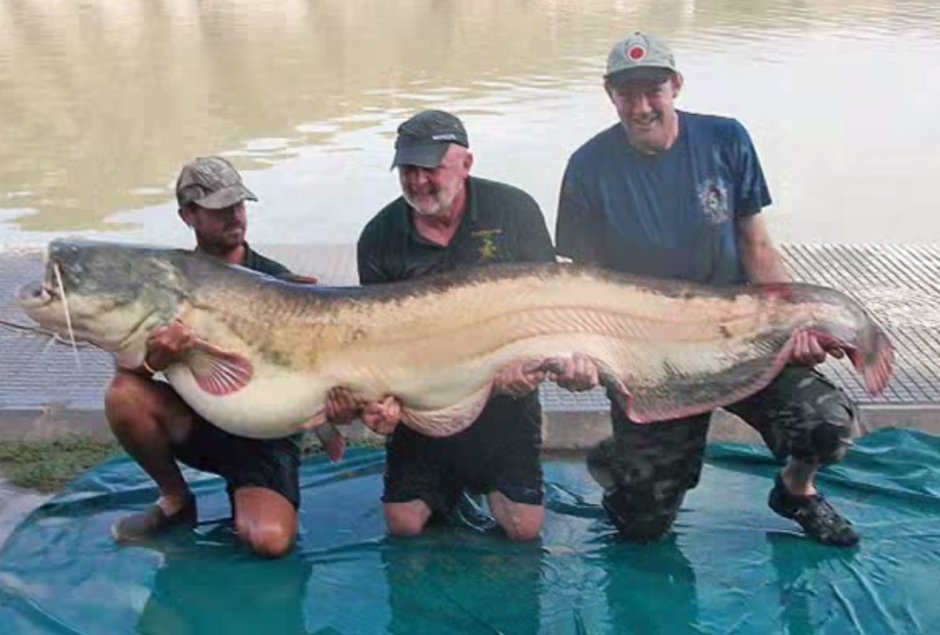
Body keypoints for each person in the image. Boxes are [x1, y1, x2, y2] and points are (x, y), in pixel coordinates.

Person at [554, 32, 861, 547]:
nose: (642, 106)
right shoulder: (587, 168)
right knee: (643, 527)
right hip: (651, 356)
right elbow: (584, 287)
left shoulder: (726, 140)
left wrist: (793, 323)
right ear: (610, 95)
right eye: (627, 94)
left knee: (827, 425)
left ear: (676, 86)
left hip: (739, 336)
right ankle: (624, 461)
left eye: (653, 90)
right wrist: (584, 354)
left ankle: (796, 490)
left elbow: (756, 245)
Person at [354, 109, 582, 542]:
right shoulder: (379, 237)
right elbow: (380, 341)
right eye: (408, 169)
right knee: (404, 523)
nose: (418, 181)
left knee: (523, 529)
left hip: (505, 406)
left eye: (431, 168)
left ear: (466, 164)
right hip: (424, 409)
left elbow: (548, 309)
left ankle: (487, 481)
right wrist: (381, 401)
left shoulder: (514, 210)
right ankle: (444, 486)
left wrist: (532, 365)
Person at [105, 156, 349, 558]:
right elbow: (128, 368)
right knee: (123, 394)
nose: (235, 216)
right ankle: (175, 500)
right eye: (220, 209)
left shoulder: (278, 280)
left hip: (265, 436)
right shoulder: (167, 282)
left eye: (239, 205)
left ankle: (256, 492)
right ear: (188, 216)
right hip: (199, 420)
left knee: (270, 542)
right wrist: (158, 360)